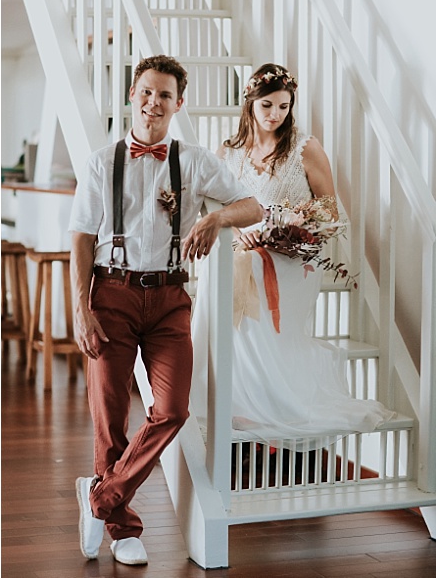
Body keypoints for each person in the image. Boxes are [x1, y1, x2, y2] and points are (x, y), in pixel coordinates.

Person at [69, 54, 261, 566]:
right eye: (147, 92)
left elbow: (254, 207)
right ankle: (123, 526)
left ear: (180, 103)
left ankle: (101, 495)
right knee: (109, 415)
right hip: (112, 294)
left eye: (165, 96)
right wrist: (81, 309)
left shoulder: (194, 161)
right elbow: (81, 239)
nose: (154, 103)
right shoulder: (100, 161)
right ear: (133, 93)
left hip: (172, 300)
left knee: (173, 409)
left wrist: (215, 217)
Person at [197, 63, 392, 449]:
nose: (275, 115)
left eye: (284, 107)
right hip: (245, 250)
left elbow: (330, 212)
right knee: (224, 263)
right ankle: (232, 396)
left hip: (291, 258)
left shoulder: (305, 147)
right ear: (250, 104)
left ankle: (265, 399)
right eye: (267, 105)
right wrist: (245, 236)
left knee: (239, 267)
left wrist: (290, 225)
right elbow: (219, 209)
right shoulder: (229, 152)